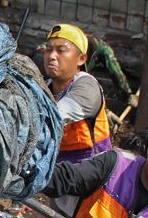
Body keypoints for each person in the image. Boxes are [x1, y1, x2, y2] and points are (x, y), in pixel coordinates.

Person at [43, 24, 112, 164]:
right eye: (48, 49)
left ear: (81, 59)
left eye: (61, 50)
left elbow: (55, 114)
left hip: (90, 175)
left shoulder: (87, 87)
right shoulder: (43, 86)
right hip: (57, 172)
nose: (51, 56)